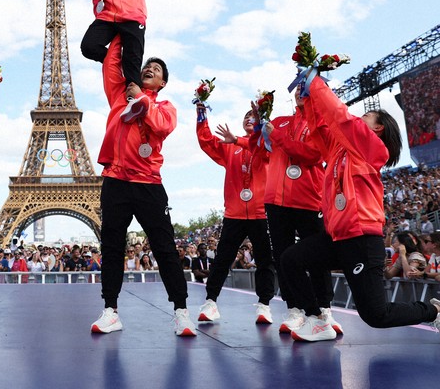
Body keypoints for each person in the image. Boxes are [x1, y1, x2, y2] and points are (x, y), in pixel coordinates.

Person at [280, 76, 440, 344]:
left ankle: (439, 311)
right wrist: (306, 101)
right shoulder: (339, 151)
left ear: (378, 128)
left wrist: (316, 82)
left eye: (365, 116)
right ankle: (318, 320)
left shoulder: (372, 148)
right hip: (337, 237)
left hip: (362, 240)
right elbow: (320, 128)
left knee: (376, 315)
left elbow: (341, 118)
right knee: (290, 259)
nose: (359, 118)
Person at [21, 0, 203, 120]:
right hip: (107, 17)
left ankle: (133, 102)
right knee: (89, 46)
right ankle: (117, 63)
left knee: (133, 63)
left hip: (133, 18)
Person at [90, 37, 195, 337]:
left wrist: (141, 98)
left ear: (162, 83)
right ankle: (110, 310)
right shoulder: (119, 95)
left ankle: (181, 311)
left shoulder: (165, 106)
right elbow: (111, 65)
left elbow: (161, 125)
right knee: (112, 247)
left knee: (164, 248)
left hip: (148, 182)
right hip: (116, 180)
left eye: (156, 69)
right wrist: (122, 33)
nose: (150, 68)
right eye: (147, 65)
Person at [262, 86, 339, 334]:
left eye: (305, 88)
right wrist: (258, 125)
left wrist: (277, 137)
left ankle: (324, 307)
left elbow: (313, 155)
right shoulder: (279, 121)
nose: (299, 92)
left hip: (309, 199)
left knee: (317, 256)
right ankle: (294, 308)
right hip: (276, 200)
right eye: (297, 88)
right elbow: (263, 150)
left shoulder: (321, 123)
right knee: (282, 257)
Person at [195, 104, 275, 324]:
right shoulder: (231, 146)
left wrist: (241, 138)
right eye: (246, 115)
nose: (249, 118)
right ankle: (211, 302)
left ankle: (264, 305)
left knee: (265, 261)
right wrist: (201, 116)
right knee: (222, 258)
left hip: (261, 212)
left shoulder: (268, 143)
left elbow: (263, 150)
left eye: (253, 116)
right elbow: (207, 141)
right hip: (234, 213)